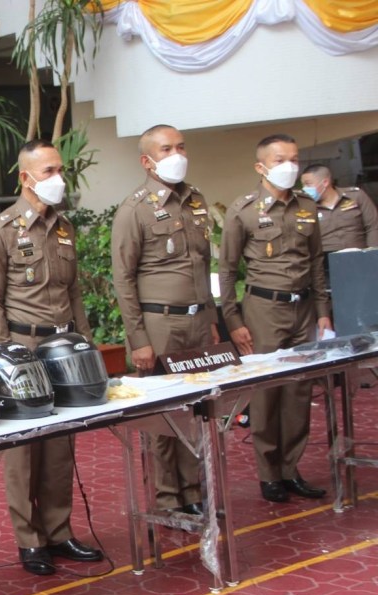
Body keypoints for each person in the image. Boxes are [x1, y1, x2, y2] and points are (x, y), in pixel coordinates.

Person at [0, 140, 104, 575]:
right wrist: (2, 359)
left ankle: (59, 531)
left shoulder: (64, 228)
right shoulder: (1, 230)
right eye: (48, 171)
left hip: (64, 348)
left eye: (59, 170)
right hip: (23, 349)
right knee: (24, 451)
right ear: (25, 177)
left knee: (59, 445)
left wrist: (86, 344)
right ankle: (30, 540)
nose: (58, 179)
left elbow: (74, 293)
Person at [219, 134, 332, 503]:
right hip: (263, 309)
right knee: (266, 393)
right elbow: (227, 270)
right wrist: (233, 320)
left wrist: (323, 313)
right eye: (281, 160)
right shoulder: (243, 210)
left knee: (299, 392)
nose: (290, 167)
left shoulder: (306, 206)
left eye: (294, 159)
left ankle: (290, 469)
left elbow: (316, 263)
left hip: (304, 310)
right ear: (261, 166)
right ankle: (269, 474)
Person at [111, 124, 217, 515]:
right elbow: (123, 279)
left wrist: (212, 318)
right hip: (160, 324)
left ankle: (193, 493)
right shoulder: (134, 209)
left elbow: (203, 265)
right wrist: (138, 339)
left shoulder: (196, 200)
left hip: (197, 320)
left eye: (181, 147)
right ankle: (168, 498)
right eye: (167, 149)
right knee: (164, 414)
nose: (177, 155)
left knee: (196, 408)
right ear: (147, 161)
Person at [299, 164, 378, 278]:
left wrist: (372, 254)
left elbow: (373, 226)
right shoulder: (305, 207)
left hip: (360, 257)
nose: (304, 189)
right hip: (326, 263)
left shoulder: (356, 196)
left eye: (308, 184)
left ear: (325, 182)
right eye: (303, 185)